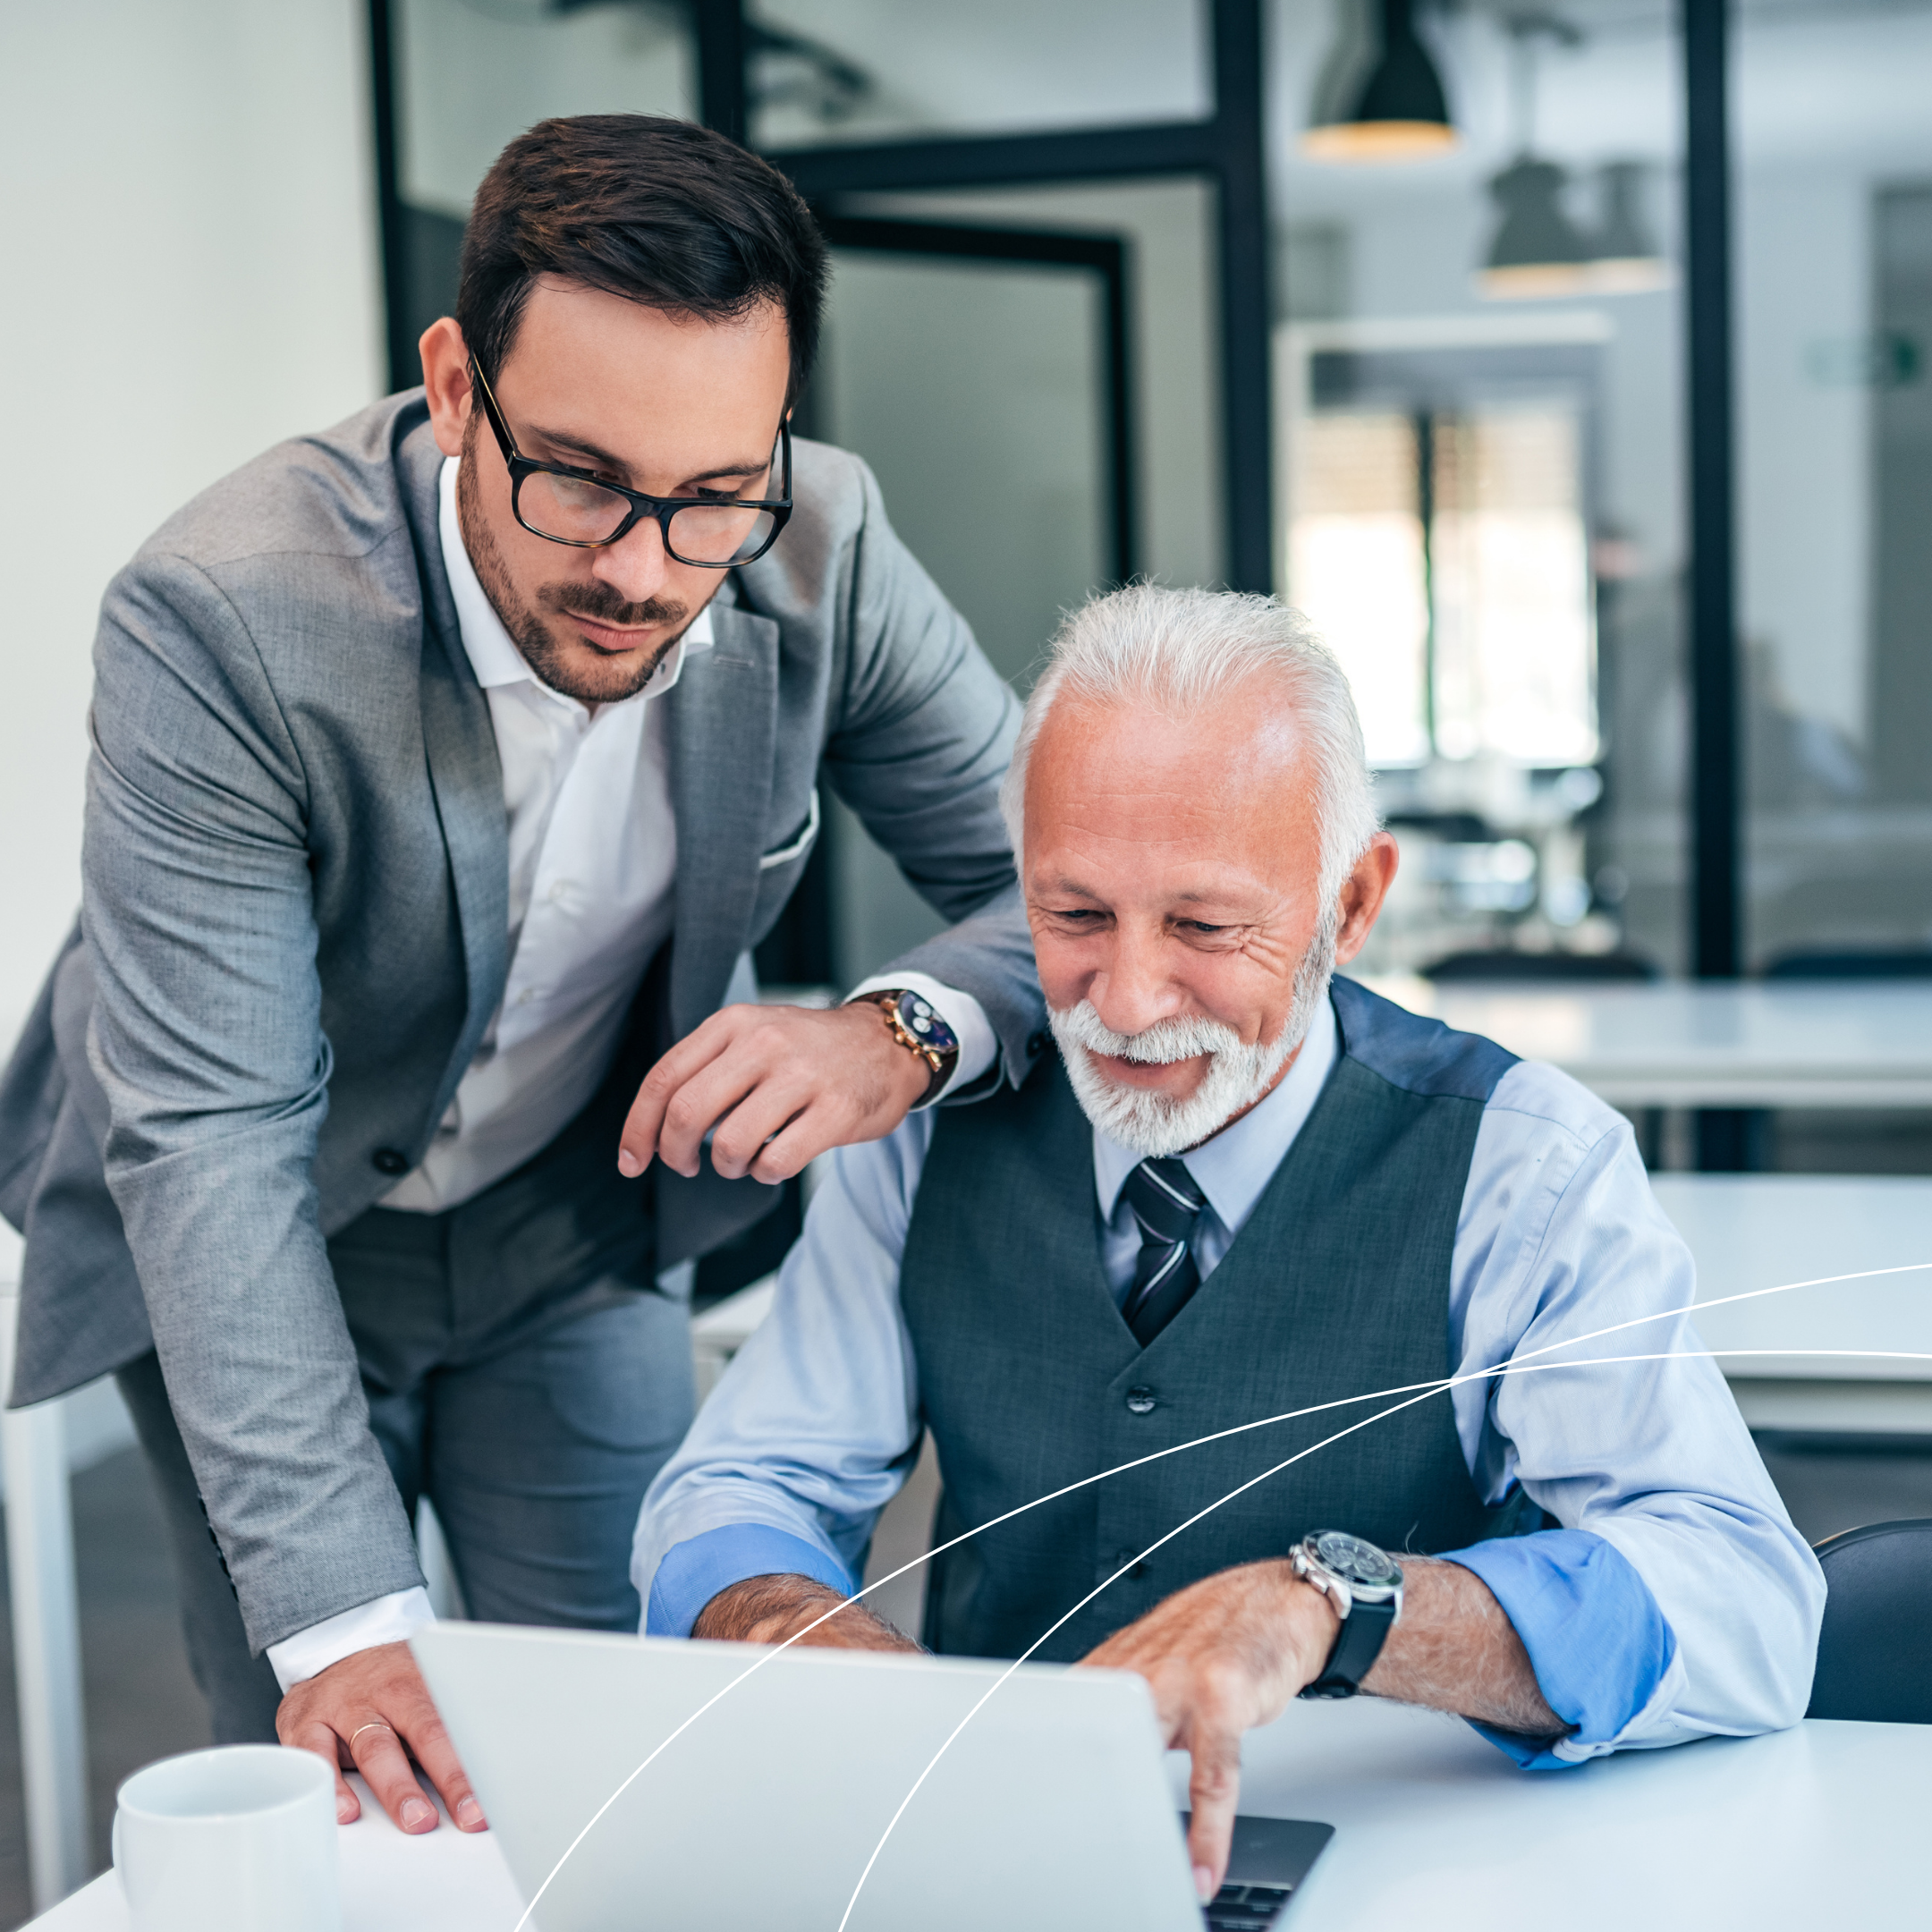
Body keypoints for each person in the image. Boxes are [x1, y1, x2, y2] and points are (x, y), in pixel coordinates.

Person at [0, 115, 1046, 1836]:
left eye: (713, 493)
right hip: (269, 1234)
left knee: (629, 1747)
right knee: (330, 1776)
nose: (645, 566)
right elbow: (211, 1146)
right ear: (457, 386)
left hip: (575, 1227)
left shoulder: (821, 542)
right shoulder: (224, 617)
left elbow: (1051, 888)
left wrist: (900, 1031)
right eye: (580, 478)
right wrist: (345, 1628)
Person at [634, 583, 1826, 1903]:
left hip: (1416, 1871)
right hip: (997, 1871)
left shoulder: (1524, 1165)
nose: (1129, 1001)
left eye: (1205, 927)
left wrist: (1340, 1606)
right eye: (1074, 916)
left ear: (1351, 904)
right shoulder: (921, 1145)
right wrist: (801, 1636)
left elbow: (1746, 1604)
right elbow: (734, 1493)